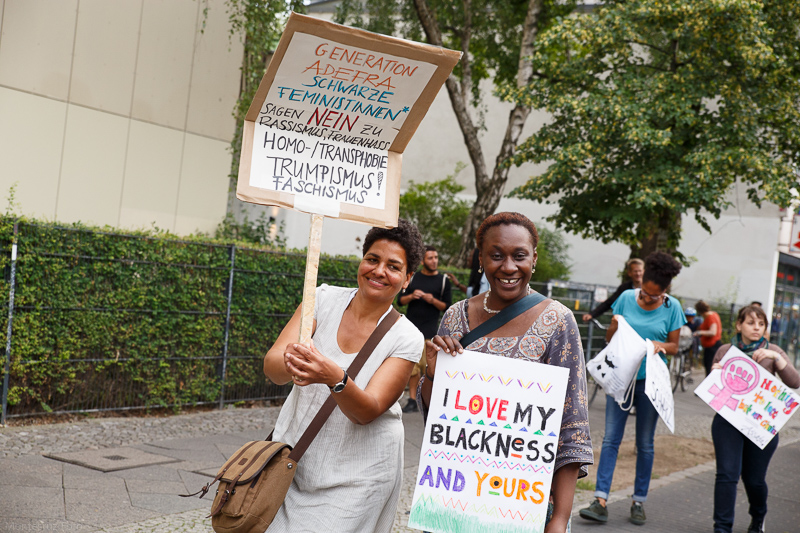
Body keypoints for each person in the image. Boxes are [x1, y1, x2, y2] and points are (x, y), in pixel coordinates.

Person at [417, 212, 593, 533]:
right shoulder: (455, 318)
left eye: (519, 256)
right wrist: (432, 374)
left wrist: (559, 519)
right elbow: (436, 416)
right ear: (481, 260)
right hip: (456, 502)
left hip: (523, 507)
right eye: (496, 256)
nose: (508, 267)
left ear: (533, 259)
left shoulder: (558, 321)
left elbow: (571, 427)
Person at [262, 219, 426, 533]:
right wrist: (290, 361)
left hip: (360, 474)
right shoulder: (321, 299)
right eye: (372, 259)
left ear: (407, 279)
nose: (379, 271)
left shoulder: (407, 337)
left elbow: (367, 411)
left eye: (393, 266)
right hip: (294, 458)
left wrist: (334, 377)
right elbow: (273, 369)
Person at [579, 251, 685, 526]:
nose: (648, 299)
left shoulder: (672, 307)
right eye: (645, 293)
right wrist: (614, 327)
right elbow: (610, 339)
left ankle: (639, 501)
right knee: (611, 439)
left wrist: (660, 345)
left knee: (645, 443)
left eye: (655, 296)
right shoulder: (626, 298)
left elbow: (674, 346)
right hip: (621, 378)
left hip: (650, 383)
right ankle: (600, 500)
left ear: (665, 291)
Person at [710, 305, 800, 533]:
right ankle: (722, 527)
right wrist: (715, 375)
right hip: (728, 422)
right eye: (751, 323)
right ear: (739, 325)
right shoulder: (725, 351)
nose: (756, 328)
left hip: (761, 425)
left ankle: (758, 517)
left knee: (754, 479)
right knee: (727, 474)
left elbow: (794, 382)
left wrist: (775, 358)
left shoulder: (774, 351)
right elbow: (713, 394)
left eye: (761, 324)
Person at [397, 246, 452, 413]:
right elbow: (400, 301)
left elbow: (447, 307)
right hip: (411, 330)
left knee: (428, 369)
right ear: (422, 261)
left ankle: (429, 400)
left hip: (430, 331)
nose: (434, 261)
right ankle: (412, 400)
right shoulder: (413, 277)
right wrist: (411, 296)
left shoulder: (443, 281)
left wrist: (432, 300)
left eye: (436, 257)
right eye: (430, 258)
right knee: (412, 368)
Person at [582, 258, 644, 323]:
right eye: (635, 271)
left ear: (644, 271)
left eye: (640, 271)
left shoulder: (648, 288)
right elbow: (610, 302)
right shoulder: (624, 288)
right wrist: (592, 314)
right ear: (629, 273)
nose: (638, 273)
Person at [695, 300, 722, 375]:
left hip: (712, 347)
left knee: (710, 369)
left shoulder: (711, 317)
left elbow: (713, 332)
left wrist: (700, 332)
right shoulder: (713, 315)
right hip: (709, 347)